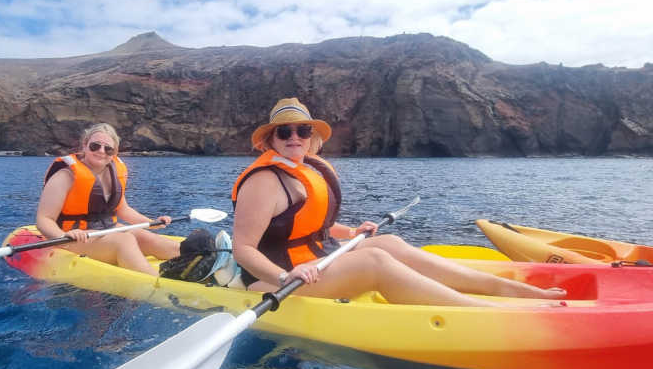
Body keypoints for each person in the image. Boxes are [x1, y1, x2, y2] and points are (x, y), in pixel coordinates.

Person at [231, 98, 566, 307]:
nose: (294, 138)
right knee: (374, 260)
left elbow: (305, 226)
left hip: (315, 259)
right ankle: (481, 309)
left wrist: (350, 232)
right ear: (270, 140)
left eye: (302, 131)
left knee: (387, 242)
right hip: (278, 277)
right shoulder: (263, 181)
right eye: (284, 132)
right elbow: (243, 248)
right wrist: (283, 278)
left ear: (310, 136)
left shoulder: (306, 170)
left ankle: (502, 288)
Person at [36, 123, 180, 275]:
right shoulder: (65, 176)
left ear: (114, 152)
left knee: (147, 237)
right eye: (95, 146)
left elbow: (122, 209)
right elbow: (44, 219)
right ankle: (156, 283)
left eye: (108, 149)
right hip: (75, 236)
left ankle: (195, 264)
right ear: (85, 146)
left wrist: (151, 223)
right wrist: (63, 236)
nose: (101, 151)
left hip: (105, 230)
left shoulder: (115, 173)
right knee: (125, 241)